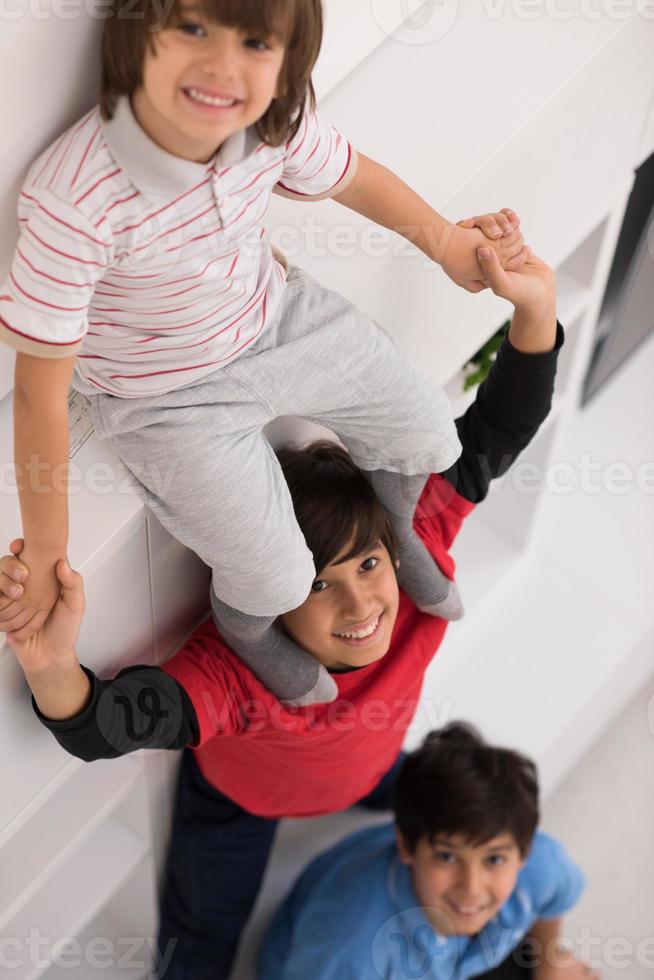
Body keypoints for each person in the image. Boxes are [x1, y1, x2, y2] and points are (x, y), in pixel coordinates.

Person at [0, 247, 560, 979]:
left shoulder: (412, 545)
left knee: (482, 806)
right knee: (199, 942)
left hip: (374, 767)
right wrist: (48, 663)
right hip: (241, 801)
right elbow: (105, 727)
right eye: (317, 586)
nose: (361, 603)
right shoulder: (234, 675)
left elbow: (497, 431)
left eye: (366, 565)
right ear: (270, 596)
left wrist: (536, 305)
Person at [0, 0, 528, 706]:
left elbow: (353, 176)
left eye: (254, 42)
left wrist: (444, 241)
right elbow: (37, 392)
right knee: (277, 579)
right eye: (192, 29)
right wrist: (44, 554)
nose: (223, 65)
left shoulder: (270, 118)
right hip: (164, 397)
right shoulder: (77, 200)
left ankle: (400, 534)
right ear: (136, 36)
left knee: (430, 433)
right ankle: (249, 630)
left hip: (277, 317)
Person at [258, 722, 597, 980]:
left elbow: (552, 899)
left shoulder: (541, 868)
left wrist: (549, 959)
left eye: (494, 859)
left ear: (523, 854)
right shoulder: (347, 951)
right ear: (407, 846)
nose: (472, 888)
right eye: (447, 857)